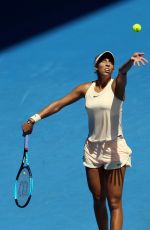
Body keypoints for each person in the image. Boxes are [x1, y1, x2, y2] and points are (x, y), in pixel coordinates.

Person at [22, 51, 148, 230]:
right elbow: (59, 104)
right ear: (95, 67)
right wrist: (33, 119)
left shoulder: (116, 86)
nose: (107, 64)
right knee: (98, 198)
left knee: (114, 202)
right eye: (103, 61)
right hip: (92, 150)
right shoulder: (85, 89)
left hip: (115, 149)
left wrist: (129, 62)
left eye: (110, 62)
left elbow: (123, 72)